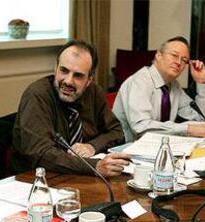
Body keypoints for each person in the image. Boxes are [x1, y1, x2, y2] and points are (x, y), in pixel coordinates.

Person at [12, 40, 129, 177]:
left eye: (78, 76)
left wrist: (92, 146)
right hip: (38, 179)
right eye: (63, 71)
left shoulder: (94, 92)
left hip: (80, 176)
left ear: (89, 80)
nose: (68, 81)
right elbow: (41, 153)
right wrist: (94, 166)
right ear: (55, 68)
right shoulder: (37, 95)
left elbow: (116, 131)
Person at [113, 36, 205, 142]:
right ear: (158, 55)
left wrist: (201, 82)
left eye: (184, 60)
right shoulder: (140, 81)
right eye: (174, 55)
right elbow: (141, 127)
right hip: (126, 148)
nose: (178, 62)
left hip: (157, 146)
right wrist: (186, 129)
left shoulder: (174, 86)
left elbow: (202, 118)